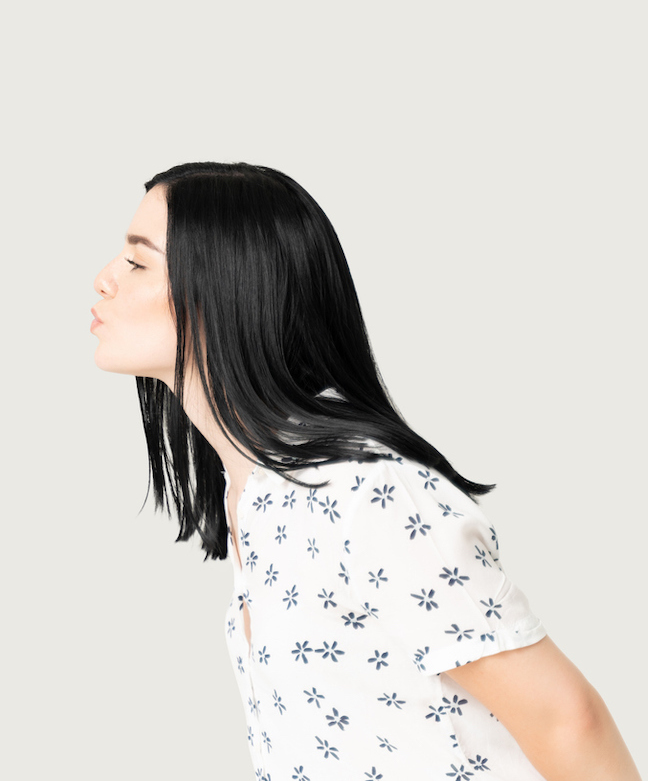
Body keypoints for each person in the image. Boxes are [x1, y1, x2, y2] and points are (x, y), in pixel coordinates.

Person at [90, 162, 638, 779]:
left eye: (138, 262)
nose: (104, 280)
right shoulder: (257, 494)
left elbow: (568, 721)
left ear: (228, 288)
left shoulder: (366, 490)